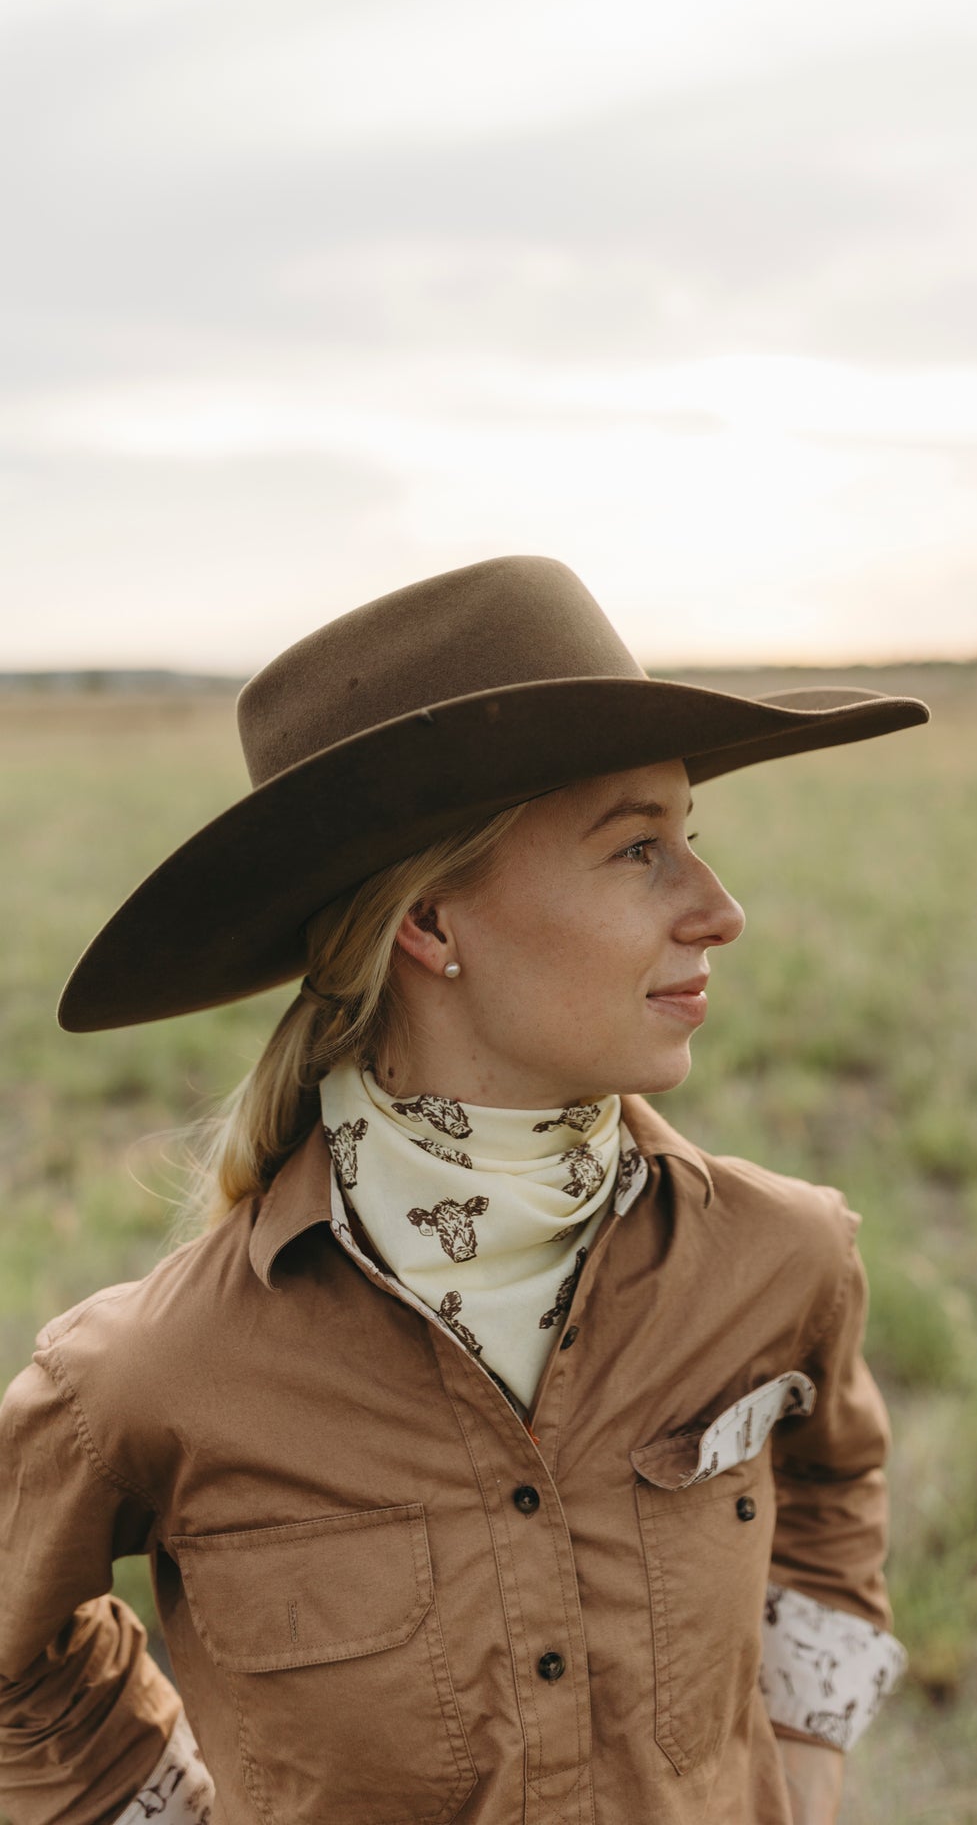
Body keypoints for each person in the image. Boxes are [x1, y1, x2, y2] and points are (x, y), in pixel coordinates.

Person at [0, 554, 929, 1825]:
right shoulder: (146, 1375)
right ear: (431, 926)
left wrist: (802, 1758)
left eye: (690, 840)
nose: (720, 909)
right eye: (639, 849)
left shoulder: (783, 1255)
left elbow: (830, 1486)